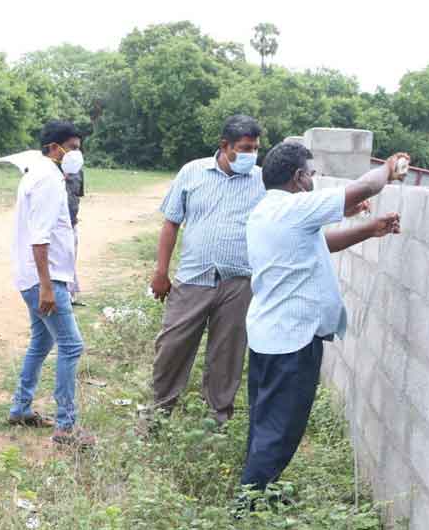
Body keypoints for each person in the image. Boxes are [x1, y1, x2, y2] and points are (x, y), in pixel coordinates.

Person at [239, 142, 405, 492]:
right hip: (293, 340)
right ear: (299, 178)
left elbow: (319, 243)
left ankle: (255, 494)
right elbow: (367, 186)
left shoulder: (266, 212)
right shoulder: (294, 207)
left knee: (266, 423)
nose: (313, 180)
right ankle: (249, 507)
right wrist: (390, 167)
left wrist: (369, 228)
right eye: (311, 174)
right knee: (280, 430)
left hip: (270, 335)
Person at [149, 115, 265, 425]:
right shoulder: (192, 172)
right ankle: (158, 414)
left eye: (255, 148)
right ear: (224, 146)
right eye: (244, 148)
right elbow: (171, 222)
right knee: (172, 346)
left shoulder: (262, 180)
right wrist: (161, 272)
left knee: (227, 355)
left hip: (239, 281)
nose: (251, 155)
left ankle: (217, 420)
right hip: (193, 279)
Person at [7, 120, 95, 447]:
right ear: (55, 148)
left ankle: (20, 407)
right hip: (43, 278)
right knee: (71, 346)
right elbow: (40, 238)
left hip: (40, 276)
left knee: (42, 341)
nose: (76, 154)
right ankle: (65, 427)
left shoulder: (45, 174)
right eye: (72, 147)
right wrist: (47, 285)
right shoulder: (47, 179)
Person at [63, 155, 85, 305]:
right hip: (58, 225)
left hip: (72, 222)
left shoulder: (79, 172)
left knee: (70, 258)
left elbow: (78, 195)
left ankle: (70, 294)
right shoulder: (53, 174)